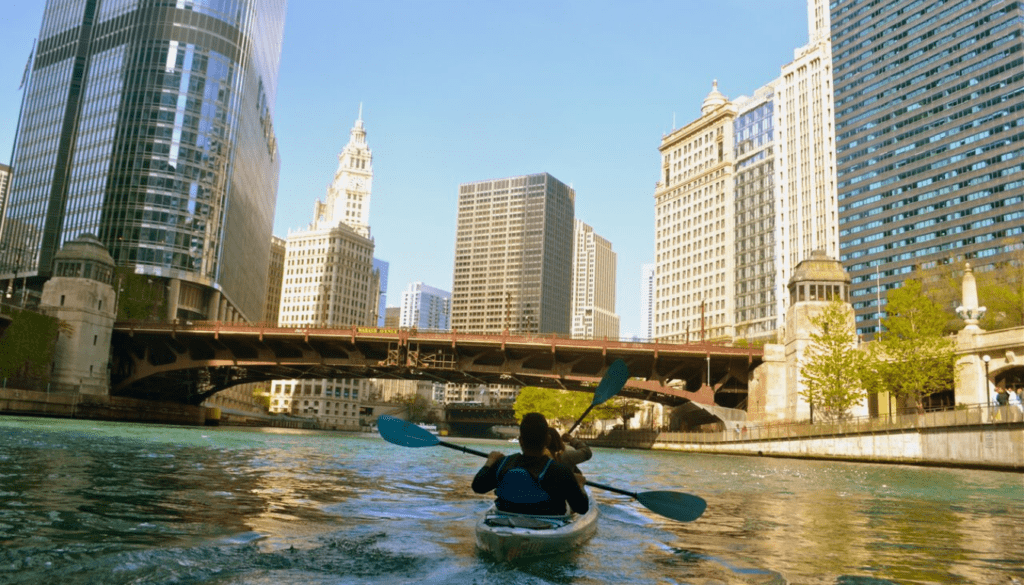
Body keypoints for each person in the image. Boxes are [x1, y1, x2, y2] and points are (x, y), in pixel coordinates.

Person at [472, 413, 589, 516]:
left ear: (520, 440)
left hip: (504, 519)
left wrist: (490, 462)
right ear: (547, 440)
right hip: (548, 524)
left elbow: (478, 487)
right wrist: (579, 485)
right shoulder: (560, 471)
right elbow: (582, 508)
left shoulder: (504, 464)